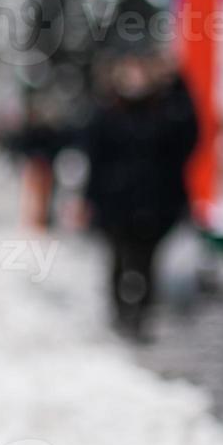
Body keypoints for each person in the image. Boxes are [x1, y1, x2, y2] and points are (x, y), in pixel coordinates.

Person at [83, 52, 200, 342]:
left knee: (147, 263)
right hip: (116, 204)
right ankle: (121, 314)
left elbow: (189, 136)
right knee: (119, 260)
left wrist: (177, 82)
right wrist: (90, 200)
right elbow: (94, 160)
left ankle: (141, 318)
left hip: (156, 203)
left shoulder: (164, 110)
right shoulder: (107, 112)